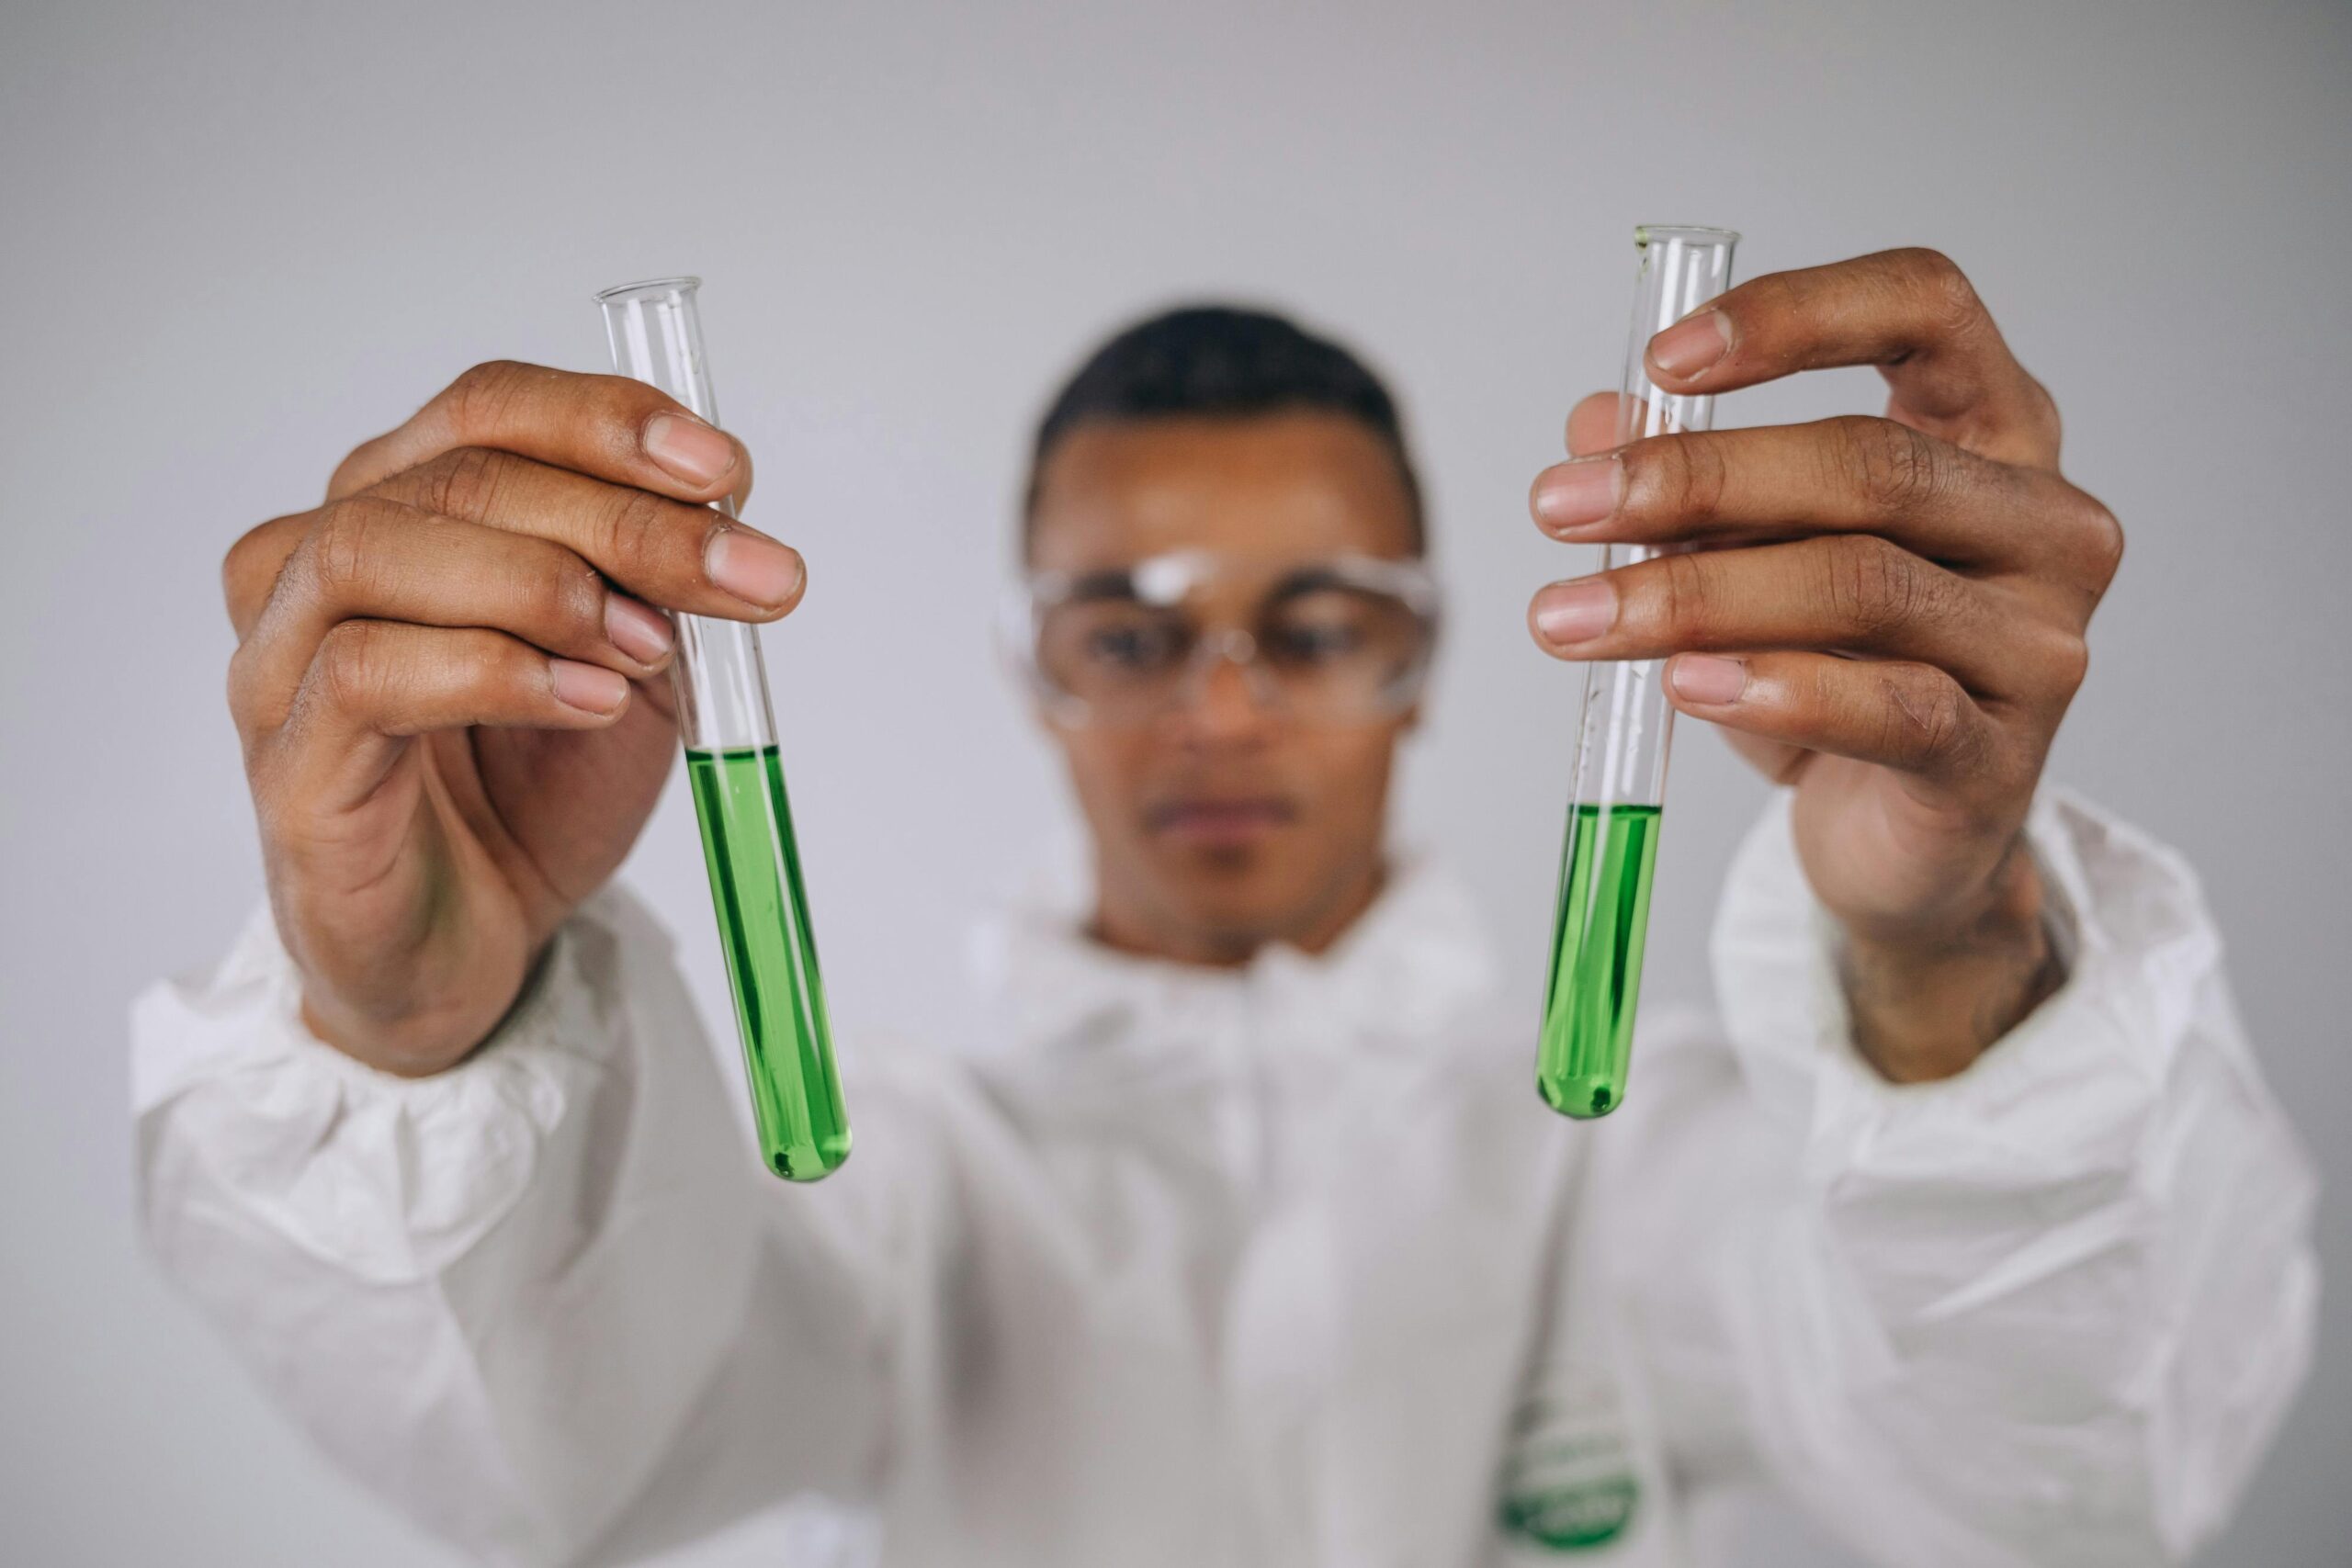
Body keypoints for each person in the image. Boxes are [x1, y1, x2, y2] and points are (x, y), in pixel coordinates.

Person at [134, 250, 2316, 1568]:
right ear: (1028, 664)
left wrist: (1942, 960)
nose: (1225, 704)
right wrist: (419, 1030)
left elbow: (2075, 1472)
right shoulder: (884, 1175)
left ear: (1435, 652)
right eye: (1124, 626)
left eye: (1318, 617)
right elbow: (556, 1448)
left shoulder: (1642, 1135)